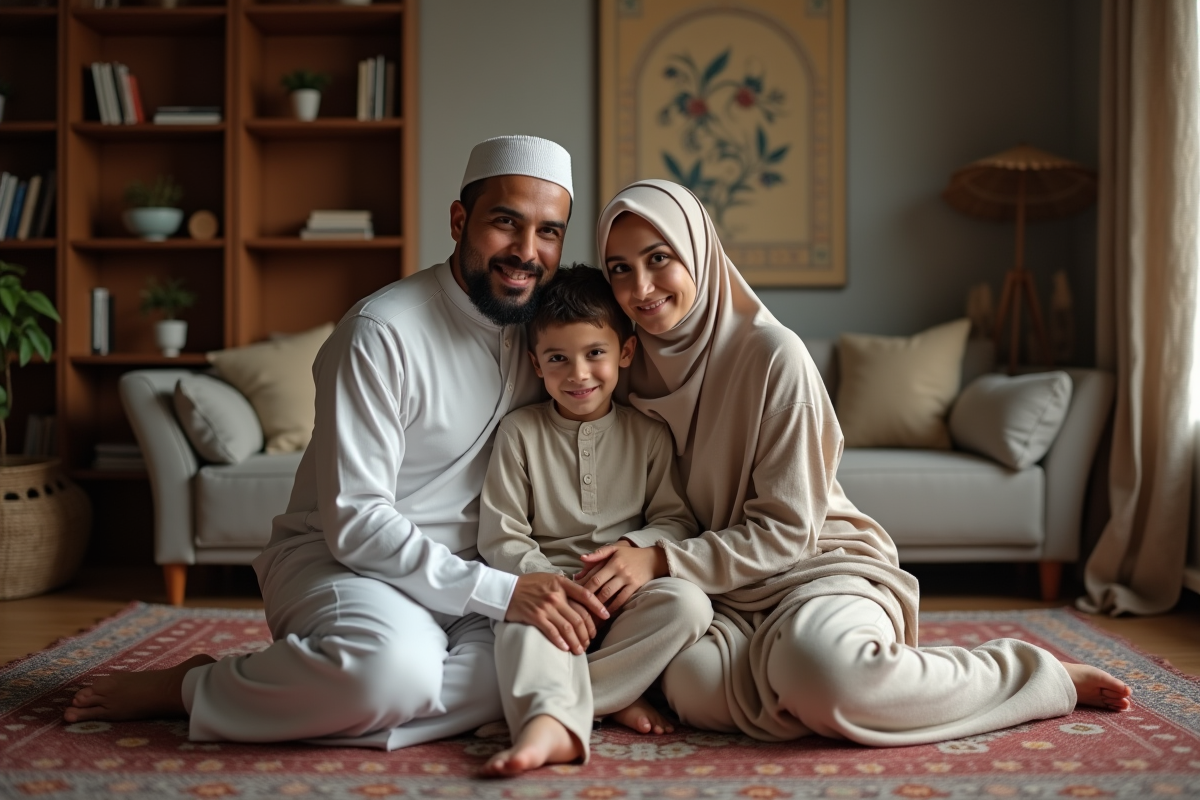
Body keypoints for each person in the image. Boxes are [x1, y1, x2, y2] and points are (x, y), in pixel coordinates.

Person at [64, 135, 613, 750]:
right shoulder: (381, 332)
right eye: (505, 223)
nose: (526, 252)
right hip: (347, 562)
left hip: (473, 576)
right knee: (391, 674)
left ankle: (325, 695)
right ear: (460, 221)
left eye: (549, 233)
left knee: (536, 672)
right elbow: (356, 521)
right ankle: (199, 688)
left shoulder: (549, 337)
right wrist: (504, 593)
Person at [578, 178, 1132, 746]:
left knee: (830, 679)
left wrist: (659, 560)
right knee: (694, 687)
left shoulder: (773, 357)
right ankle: (850, 681)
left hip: (810, 569)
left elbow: (787, 533)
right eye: (618, 269)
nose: (640, 287)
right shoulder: (617, 367)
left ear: (698, 250)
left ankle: (1023, 673)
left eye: (659, 258)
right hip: (712, 595)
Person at [476, 266, 712, 776]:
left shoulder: (648, 434)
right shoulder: (519, 432)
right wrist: (550, 583)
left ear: (625, 353)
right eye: (558, 358)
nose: (578, 374)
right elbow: (501, 532)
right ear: (536, 365)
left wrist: (635, 551)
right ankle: (587, 709)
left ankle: (576, 704)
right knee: (518, 628)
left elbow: (675, 520)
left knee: (690, 606)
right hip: (548, 591)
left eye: (595, 354)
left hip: (623, 595)